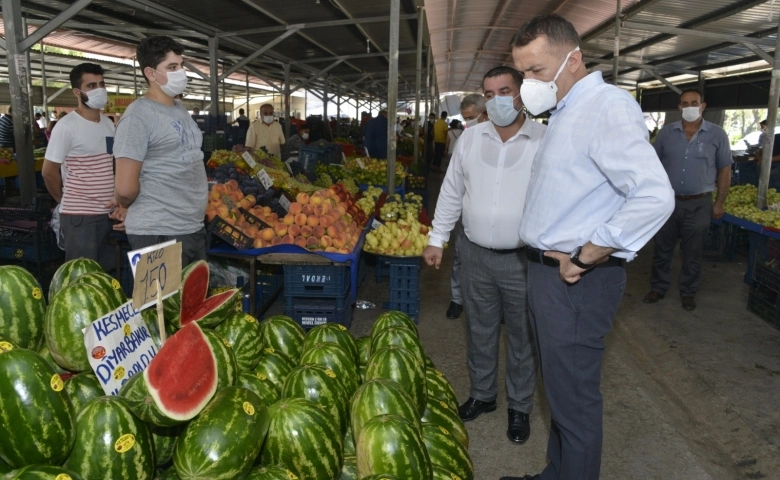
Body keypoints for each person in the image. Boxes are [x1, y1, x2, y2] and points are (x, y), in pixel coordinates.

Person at [506, 14, 674, 480]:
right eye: (523, 73)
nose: (528, 84)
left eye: (537, 71)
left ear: (573, 60)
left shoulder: (606, 107)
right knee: (559, 393)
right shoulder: (567, 110)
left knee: (575, 402)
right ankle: (556, 471)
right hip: (548, 276)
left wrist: (590, 251)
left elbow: (654, 195)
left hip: (575, 281)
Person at [423, 66, 543, 446]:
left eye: (504, 91)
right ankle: (483, 394)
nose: (497, 100)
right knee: (479, 328)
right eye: (490, 94)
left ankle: (520, 406)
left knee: (523, 335)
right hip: (474, 253)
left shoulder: (544, 139)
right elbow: (451, 192)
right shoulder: (471, 140)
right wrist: (437, 238)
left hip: (524, 259)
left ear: (521, 94)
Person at [113, 36, 208, 267]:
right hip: (158, 232)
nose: (181, 72)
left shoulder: (179, 109)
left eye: (181, 65)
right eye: (172, 67)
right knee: (161, 304)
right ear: (151, 73)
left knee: (190, 302)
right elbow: (125, 188)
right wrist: (124, 205)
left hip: (190, 227)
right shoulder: (138, 116)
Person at [643, 90, 732, 311]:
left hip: (699, 204)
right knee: (662, 249)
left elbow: (724, 170)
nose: (690, 106)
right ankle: (658, 287)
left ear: (703, 106)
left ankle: (688, 292)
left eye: (694, 102)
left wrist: (719, 202)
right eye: (685, 103)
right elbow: (653, 166)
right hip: (668, 202)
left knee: (693, 252)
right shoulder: (666, 133)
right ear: (679, 107)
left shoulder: (717, 134)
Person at [41, 63, 122, 269]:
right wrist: (64, 200)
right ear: (77, 92)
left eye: (102, 84)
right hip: (80, 217)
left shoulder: (108, 123)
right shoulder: (66, 126)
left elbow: (111, 164)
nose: (99, 90)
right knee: (82, 275)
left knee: (107, 272)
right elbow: (49, 172)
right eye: (91, 85)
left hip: (109, 213)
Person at [445, 93, 489, 320]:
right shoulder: (465, 139)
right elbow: (453, 185)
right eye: (465, 118)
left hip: (497, 217)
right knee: (461, 258)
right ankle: (457, 299)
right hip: (467, 213)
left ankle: (495, 306)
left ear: (485, 114)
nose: (467, 122)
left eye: (471, 117)